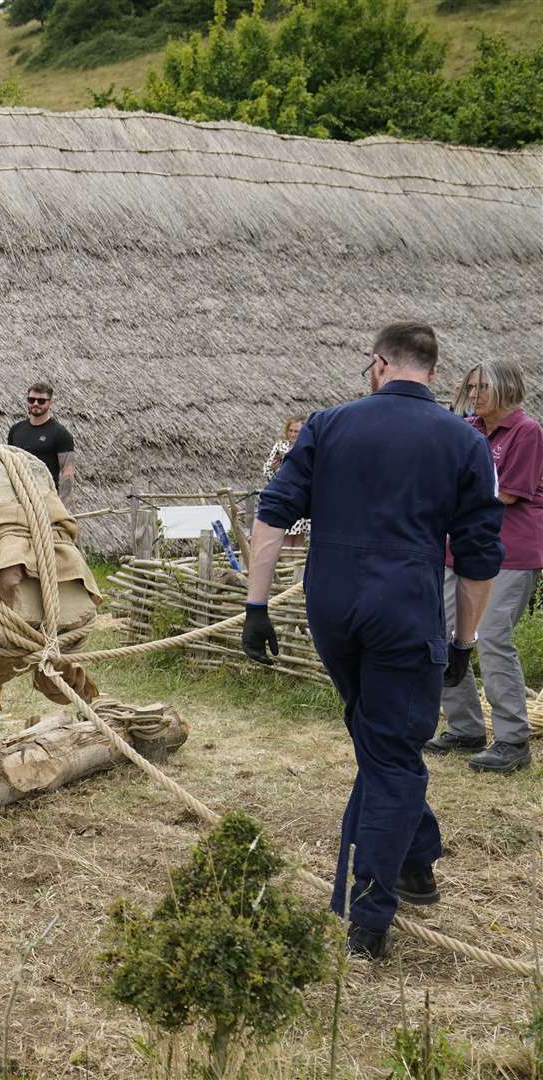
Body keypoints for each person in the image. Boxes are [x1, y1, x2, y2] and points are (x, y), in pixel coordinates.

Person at [242, 322, 503, 961]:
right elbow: (479, 558)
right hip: (405, 607)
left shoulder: (327, 425)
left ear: (379, 365)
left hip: (332, 606)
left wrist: (256, 605)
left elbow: (272, 513)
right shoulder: (464, 443)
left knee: (378, 737)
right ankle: (368, 917)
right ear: (434, 373)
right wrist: (464, 643)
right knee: (391, 753)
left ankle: (415, 860)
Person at [428, 360, 541, 774]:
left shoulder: (527, 432)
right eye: (470, 386)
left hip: (509, 550)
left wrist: (449, 495)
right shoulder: (468, 428)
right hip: (458, 547)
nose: (474, 394)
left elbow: (507, 494)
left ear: (507, 388)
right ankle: (465, 728)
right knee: (442, 633)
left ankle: (512, 739)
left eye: (482, 387)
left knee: (492, 637)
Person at [6, 381, 76, 502]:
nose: (36, 403)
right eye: (31, 400)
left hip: (46, 499)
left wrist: (60, 502)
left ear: (51, 403)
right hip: (19, 499)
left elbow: (68, 472)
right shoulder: (16, 430)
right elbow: (8, 465)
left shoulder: (60, 433)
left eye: (41, 401)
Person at [262, 415, 311, 548]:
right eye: (291, 431)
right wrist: (274, 468)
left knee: (299, 542)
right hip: (285, 496)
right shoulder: (280, 446)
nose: (293, 434)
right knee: (286, 540)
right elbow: (267, 472)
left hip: (301, 497)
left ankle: (295, 568)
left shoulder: (307, 447)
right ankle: (286, 567)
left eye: (297, 431)